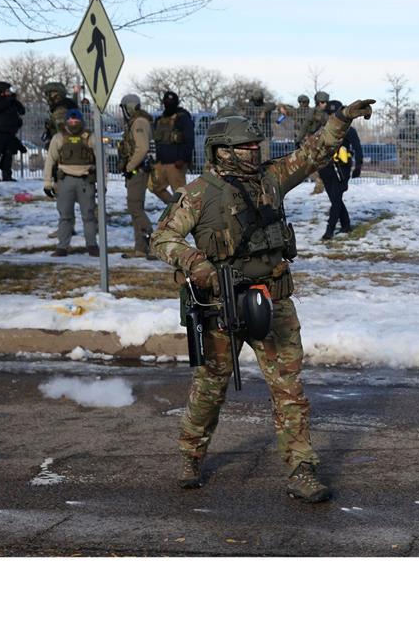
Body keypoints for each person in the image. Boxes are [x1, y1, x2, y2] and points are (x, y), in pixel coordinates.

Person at [150, 99, 376, 502]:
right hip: (222, 306)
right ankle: (190, 454)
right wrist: (196, 264)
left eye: (257, 146)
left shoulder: (272, 178)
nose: (255, 152)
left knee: (290, 390)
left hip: (273, 300)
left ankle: (301, 469)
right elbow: (163, 238)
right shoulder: (199, 193)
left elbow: (314, 152)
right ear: (222, 151)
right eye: (246, 147)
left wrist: (341, 120)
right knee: (210, 387)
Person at [42, 107, 100, 258]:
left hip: (86, 180)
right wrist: (47, 182)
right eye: (71, 120)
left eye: (76, 120)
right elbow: (50, 160)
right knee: (65, 216)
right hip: (65, 180)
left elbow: (101, 160)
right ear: (66, 121)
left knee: (88, 216)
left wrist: (103, 183)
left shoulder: (90, 137)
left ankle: (92, 246)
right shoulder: (59, 138)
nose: (73, 123)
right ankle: (62, 247)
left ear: (81, 121)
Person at [318, 100, 363, 240]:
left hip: (341, 169)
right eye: (330, 114)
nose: (332, 116)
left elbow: (358, 149)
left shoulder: (349, 130)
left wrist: (358, 167)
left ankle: (330, 230)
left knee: (336, 199)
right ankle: (346, 224)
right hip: (325, 168)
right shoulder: (323, 129)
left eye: (334, 113)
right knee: (334, 199)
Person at [117, 94, 155, 259]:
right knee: (135, 209)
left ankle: (153, 244)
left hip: (137, 171)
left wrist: (130, 166)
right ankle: (140, 248)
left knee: (135, 208)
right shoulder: (136, 122)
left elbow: (142, 148)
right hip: (135, 170)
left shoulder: (139, 122)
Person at [150, 90, 194, 205]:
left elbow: (189, 141)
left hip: (176, 164)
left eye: (171, 101)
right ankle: (173, 208)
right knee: (155, 187)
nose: (168, 103)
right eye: (166, 101)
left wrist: (183, 159)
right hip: (161, 162)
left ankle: (183, 213)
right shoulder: (160, 120)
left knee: (180, 196)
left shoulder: (183, 118)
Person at [0, 81, 26, 182]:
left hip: (10, 133)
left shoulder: (12, 102)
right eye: (7, 91)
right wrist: (9, 100)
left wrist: (14, 100)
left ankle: (7, 175)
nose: (9, 92)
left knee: (8, 155)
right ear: (2, 92)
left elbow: (22, 111)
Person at [41, 81, 79, 147]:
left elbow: (64, 138)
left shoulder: (60, 112)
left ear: (56, 96)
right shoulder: (67, 106)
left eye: (48, 94)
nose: (47, 98)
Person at [395, 108, 419, 178]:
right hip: (405, 148)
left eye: (412, 115)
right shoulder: (402, 125)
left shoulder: (418, 125)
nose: (410, 117)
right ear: (406, 116)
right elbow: (396, 135)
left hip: (416, 147)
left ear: (414, 116)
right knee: (405, 163)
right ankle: (405, 176)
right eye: (409, 115)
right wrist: (401, 134)